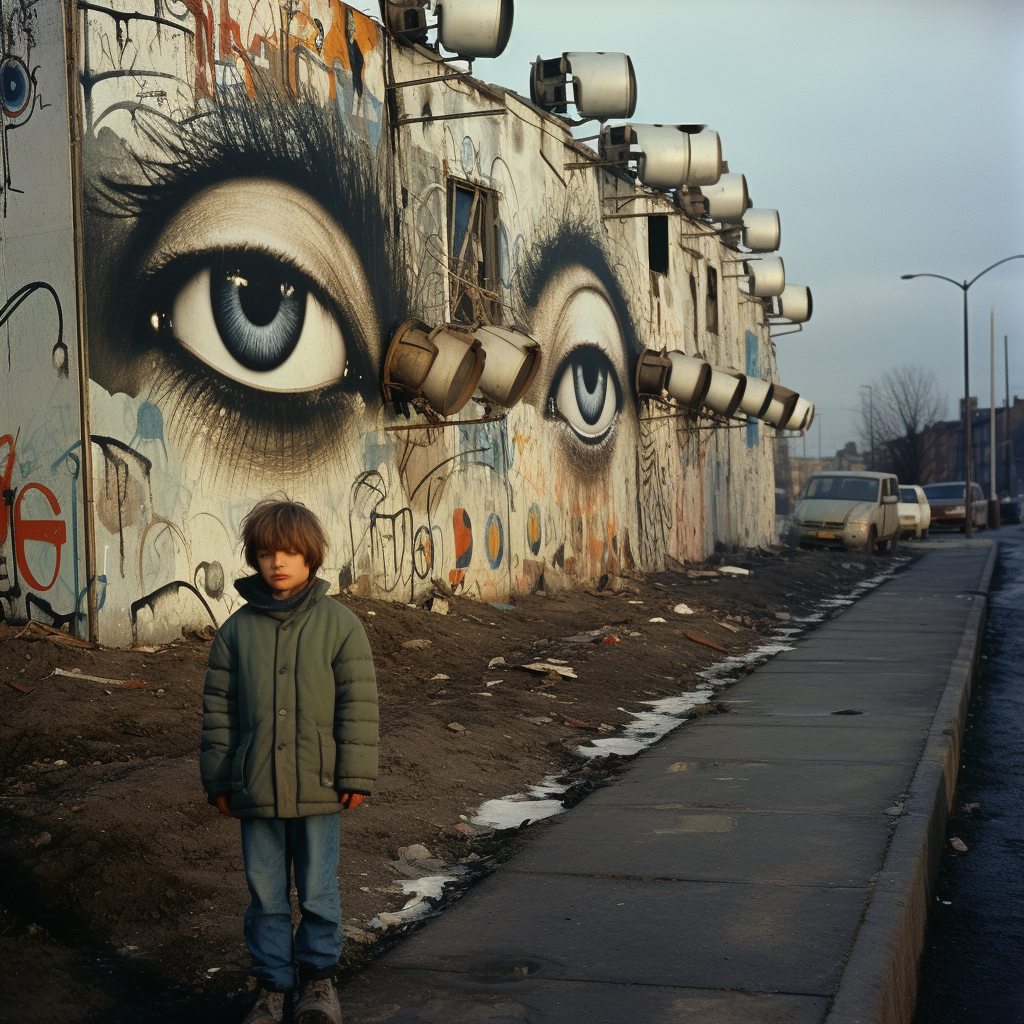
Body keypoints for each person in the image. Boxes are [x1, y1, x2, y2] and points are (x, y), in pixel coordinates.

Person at [200, 499, 378, 1024]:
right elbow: (218, 712)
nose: (278, 562)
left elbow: (358, 705)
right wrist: (218, 777)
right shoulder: (235, 632)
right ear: (254, 559)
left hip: (320, 784)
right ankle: (273, 986)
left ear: (311, 557)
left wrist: (355, 773)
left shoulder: (341, 625)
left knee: (319, 889)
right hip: (254, 786)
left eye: (290, 552)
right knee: (266, 895)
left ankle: (319, 983)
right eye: (265, 553)